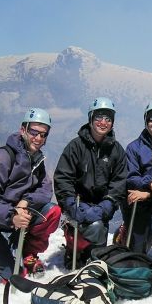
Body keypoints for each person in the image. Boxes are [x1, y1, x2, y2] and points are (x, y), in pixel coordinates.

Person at [0, 108, 61, 280]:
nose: (38, 138)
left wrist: (25, 202)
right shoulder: (1, 158)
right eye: (33, 132)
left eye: (43, 134)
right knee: (14, 278)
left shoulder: (36, 160)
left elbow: (45, 189)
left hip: (17, 217)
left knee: (53, 211)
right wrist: (12, 216)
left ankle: (28, 253)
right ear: (23, 130)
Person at [54, 97, 127, 268]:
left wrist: (108, 203)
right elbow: (63, 177)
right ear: (90, 119)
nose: (103, 122)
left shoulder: (116, 151)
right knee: (91, 230)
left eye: (108, 119)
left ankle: (89, 254)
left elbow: (120, 180)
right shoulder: (75, 147)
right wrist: (70, 203)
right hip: (78, 204)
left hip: (102, 206)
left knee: (97, 230)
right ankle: (75, 249)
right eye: (99, 117)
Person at [116, 101, 152, 253]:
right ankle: (127, 233)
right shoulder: (134, 148)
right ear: (146, 122)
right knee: (140, 246)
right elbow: (131, 177)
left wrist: (148, 192)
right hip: (138, 197)